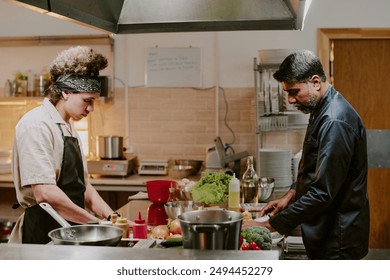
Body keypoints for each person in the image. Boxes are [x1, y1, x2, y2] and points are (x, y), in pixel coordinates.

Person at [243, 50, 370, 259]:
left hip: (338, 240)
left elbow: (323, 192)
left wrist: (270, 225)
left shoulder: (334, 121)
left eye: (294, 91)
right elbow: (314, 168)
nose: (290, 100)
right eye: (287, 93)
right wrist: (291, 194)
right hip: (326, 232)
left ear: (315, 82)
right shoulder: (321, 109)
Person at [9, 46, 117, 244]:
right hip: (44, 231)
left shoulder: (67, 127)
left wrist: (113, 218)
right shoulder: (36, 124)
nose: (91, 108)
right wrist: (93, 223)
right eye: (87, 100)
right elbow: (45, 194)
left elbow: (84, 188)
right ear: (66, 92)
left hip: (70, 228)